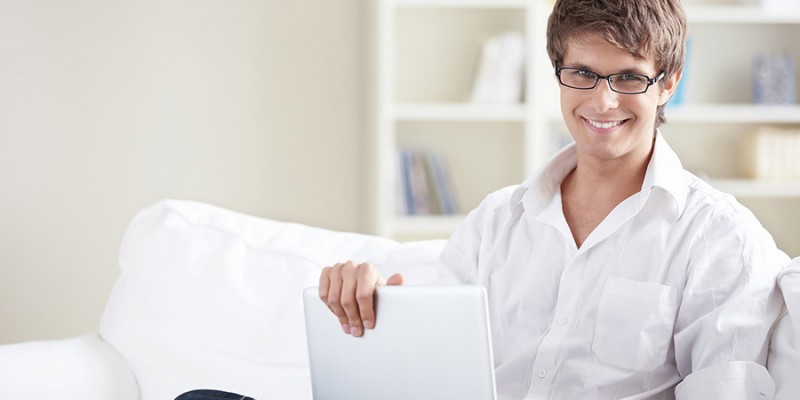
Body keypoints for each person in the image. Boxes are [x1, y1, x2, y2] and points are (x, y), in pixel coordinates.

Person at [318, 0, 791, 399]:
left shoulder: (719, 237)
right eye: (583, 73)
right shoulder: (496, 222)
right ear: (558, 74)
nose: (603, 102)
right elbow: (431, 372)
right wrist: (370, 305)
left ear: (668, 81)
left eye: (628, 78)